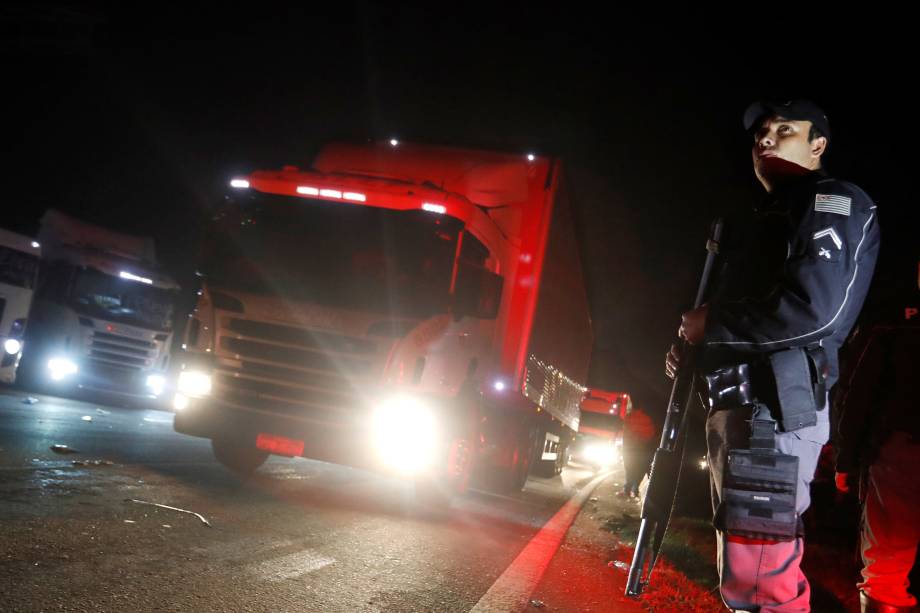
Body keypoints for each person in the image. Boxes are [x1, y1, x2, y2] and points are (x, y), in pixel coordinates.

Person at [666, 99, 880, 611]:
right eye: (761, 131)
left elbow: (814, 313)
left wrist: (713, 325)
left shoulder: (833, 201)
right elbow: (751, 312)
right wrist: (696, 347)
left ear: (817, 146)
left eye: (785, 129)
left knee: (761, 579)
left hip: (773, 412)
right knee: (746, 571)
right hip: (744, 404)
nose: (766, 138)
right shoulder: (771, 216)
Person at [834, 267, 920, 613]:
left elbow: (859, 391)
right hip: (900, 450)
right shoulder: (893, 320)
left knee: (886, 568)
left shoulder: (892, 319)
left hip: (899, 450)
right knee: (887, 568)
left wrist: (846, 459)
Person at [620, 405, 656, 499]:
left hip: (629, 448)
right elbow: (651, 434)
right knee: (639, 470)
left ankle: (627, 489)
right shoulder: (647, 418)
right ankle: (634, 490)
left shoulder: (629, 416)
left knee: (629, 469)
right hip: (642, 449)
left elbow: (624, 430)